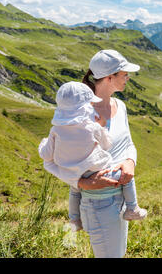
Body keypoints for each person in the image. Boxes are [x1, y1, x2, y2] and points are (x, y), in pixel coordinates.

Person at [42, 49, 145, 258]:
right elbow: (52, 160)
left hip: (122, 198)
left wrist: (130, 162)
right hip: (98, 204)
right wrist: (80, 183)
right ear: (109, 77)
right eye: (124, 74)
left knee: (118, 253)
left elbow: (128, 144)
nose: (128, 78)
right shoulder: (77, 113)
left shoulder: (121, 106)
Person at [38, 81, 147, 232]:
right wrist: (101, 125)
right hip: (96, 170)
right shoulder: (92, 126)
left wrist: (44, 143)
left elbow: (46, 154)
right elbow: (107, 144)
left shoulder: (56, 130)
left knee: (74, 190)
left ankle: (75, 220)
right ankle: (132, 208)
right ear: (84, 107)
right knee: (126, 176)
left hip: (75, 172)